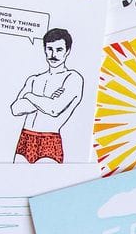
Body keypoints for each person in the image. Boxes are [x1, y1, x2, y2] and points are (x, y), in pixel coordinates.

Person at [10, 28, 83, 164]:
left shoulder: (73, 78)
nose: (53, 55)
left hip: (49, 139)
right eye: (50, 49)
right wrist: (48, 100)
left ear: (67, 51)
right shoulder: (34, 79)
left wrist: (29, 95)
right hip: (25, 138)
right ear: (44, 49)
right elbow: (15, 108)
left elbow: (54, 109)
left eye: (59, 50)